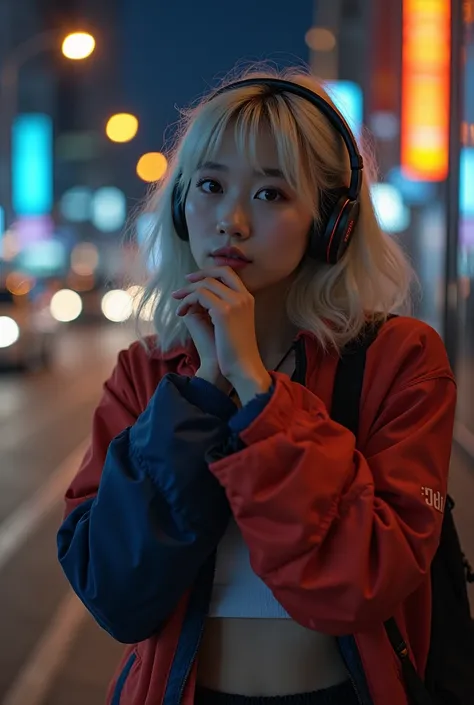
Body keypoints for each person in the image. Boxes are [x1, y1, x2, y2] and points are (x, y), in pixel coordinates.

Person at [57, 67, 456, 705]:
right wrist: (203, 394)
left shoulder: (399, 362)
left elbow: (363, 582)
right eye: (210, 186)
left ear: (333, 223)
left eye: (272, 195)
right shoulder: (147, 374)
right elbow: (115, 593)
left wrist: (258, 389)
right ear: (184, 204)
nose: (233, 221)